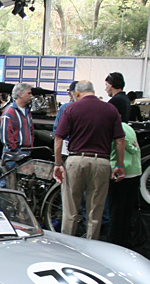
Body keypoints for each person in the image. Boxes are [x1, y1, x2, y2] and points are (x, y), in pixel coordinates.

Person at [52, 80, 125, 240]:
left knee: (70, 211)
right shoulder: (110, 109)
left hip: (76, 160)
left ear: (77, 93)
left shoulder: (71, 108)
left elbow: (58, 138)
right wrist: (120, 164)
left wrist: (58, 164)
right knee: (95, 212)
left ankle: (67, 246)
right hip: (102, 163)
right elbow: (120, 140)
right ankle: (91, 248)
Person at [107, 120, 146, 248]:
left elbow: (124, 144)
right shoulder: (129, 127)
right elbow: (135, 147)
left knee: (116, 210)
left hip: (122, 171)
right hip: (135, 171)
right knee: (126, 210)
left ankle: (114, 242)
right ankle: (124, 241)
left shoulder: (116, 128)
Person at [0, 82, 34, 171]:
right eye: (29, 93)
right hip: (13, 154)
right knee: (8, 181)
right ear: (20, 94)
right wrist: (14, 150)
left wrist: (30, 147)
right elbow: (5, 135)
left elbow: (31, 131)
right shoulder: (9, 112)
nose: (31, 95)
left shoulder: (27, 112)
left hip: (26, 152)